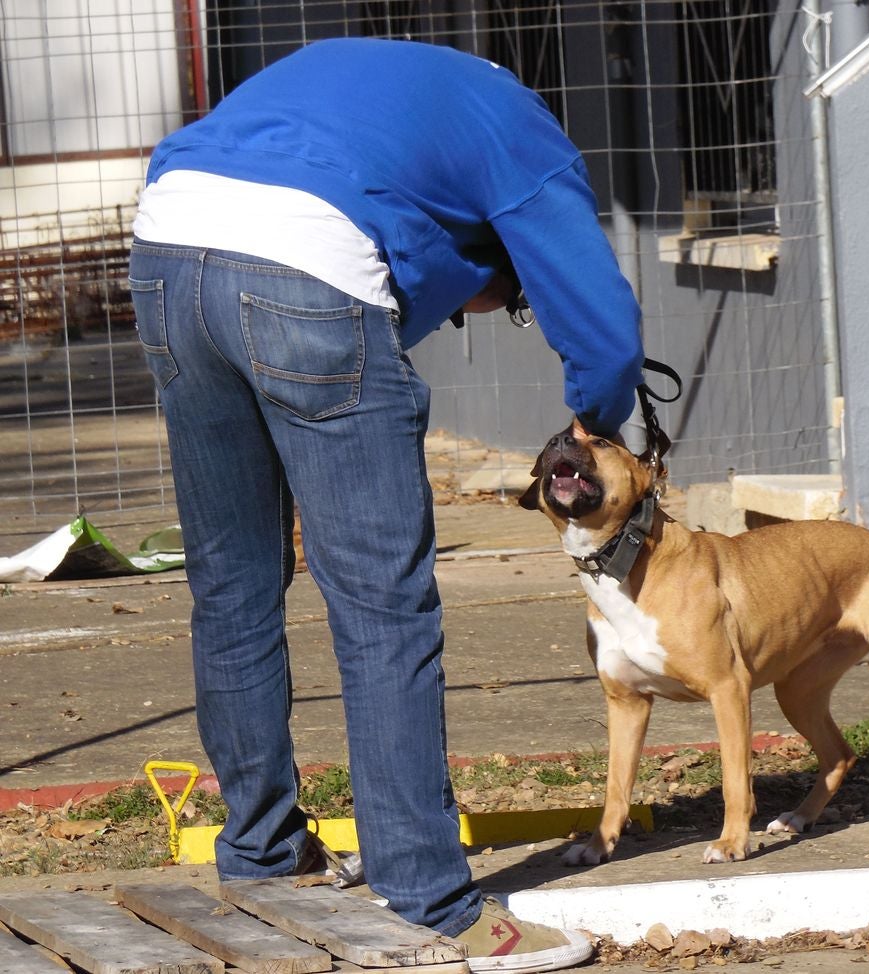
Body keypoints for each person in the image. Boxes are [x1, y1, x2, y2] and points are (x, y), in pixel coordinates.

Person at [129, 37, 644, 973]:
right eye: (490, 301)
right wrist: (602, 429)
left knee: (234, 585)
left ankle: (261, 858)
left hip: (168, 252)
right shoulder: (522, 130)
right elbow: (601, 323)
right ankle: (429, 901)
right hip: (306, 270)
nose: (457, 314)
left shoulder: (381, 83)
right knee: (381, 605)